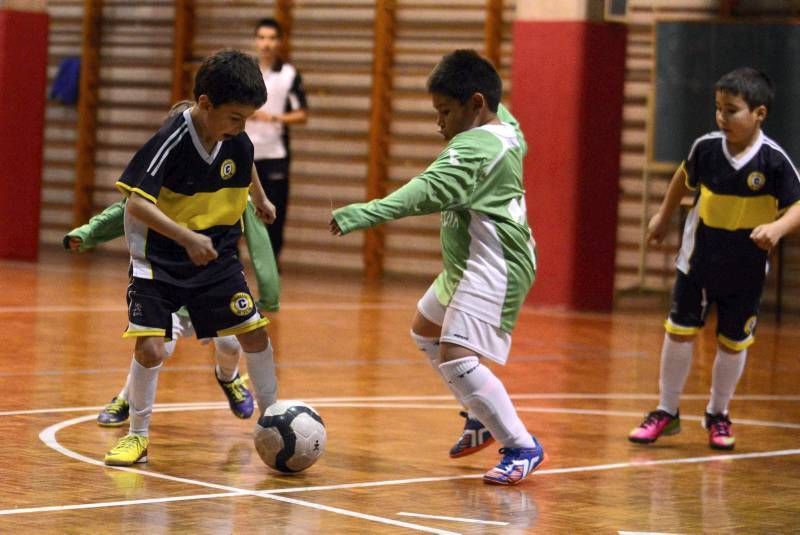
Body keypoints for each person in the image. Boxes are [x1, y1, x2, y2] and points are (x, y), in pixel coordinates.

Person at [329, 50, 545, 486]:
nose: (439, 123)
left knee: (455, 354)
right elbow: (502, 109)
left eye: (445, 112)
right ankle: (478, 415)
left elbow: (427, 190)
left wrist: (365, 213)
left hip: (495, 263)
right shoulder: (506, 130)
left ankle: (521, 445)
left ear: (476, 105)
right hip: (466, 262)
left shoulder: (475, 146)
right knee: (425, 328)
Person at [103, 49, 278, 466]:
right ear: (204, 104)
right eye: (235, 117)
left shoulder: (235, 136)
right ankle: (138, 436)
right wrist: (185, 238)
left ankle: (273, 419)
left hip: (215, 256)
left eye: (246, 119)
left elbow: (246, 160)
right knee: (151, 348)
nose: (241, 127)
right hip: (159, 259)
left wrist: (260, 197)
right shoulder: (171, 141)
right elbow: (135, 206)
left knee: (253, 334)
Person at [628, 67, 800, 450]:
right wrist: (663, 215)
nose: (722, 117)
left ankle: (718, 414)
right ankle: (666, 410)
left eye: (732, 110)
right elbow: (682, 178)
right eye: (718, 109)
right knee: (679, 329)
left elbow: (797, 206)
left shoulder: (773, 161)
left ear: (759, 114)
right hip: (699, 259)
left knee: (732, 342)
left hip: (746, 267)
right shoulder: (705, 148)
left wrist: (776, 229)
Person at [246, 17, 308, 265]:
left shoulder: (289, 74)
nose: (266, 44)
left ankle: (272, 266)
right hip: (245, 152)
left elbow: (302, 113)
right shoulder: (246, 70)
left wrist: (271, 117)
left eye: (271, 38)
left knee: (273, 213)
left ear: (280, 42)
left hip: (275, 155)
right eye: (261, 38)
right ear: (255, 40)